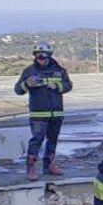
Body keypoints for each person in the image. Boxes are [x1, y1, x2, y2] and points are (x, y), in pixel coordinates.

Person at [14, 41, 72, 180]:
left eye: (44, 57)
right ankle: (31, 168)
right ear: (35, 56)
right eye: (39, 57)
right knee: (36, 141)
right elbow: (17, 90)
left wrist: (58, 86)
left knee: (53, 140)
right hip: (38, 114)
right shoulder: (29, 71)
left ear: (50, 56)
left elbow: (68, 85)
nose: (42, 60)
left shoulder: (59, 70)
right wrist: (26, 84)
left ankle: (49, 166)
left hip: (56, 113)